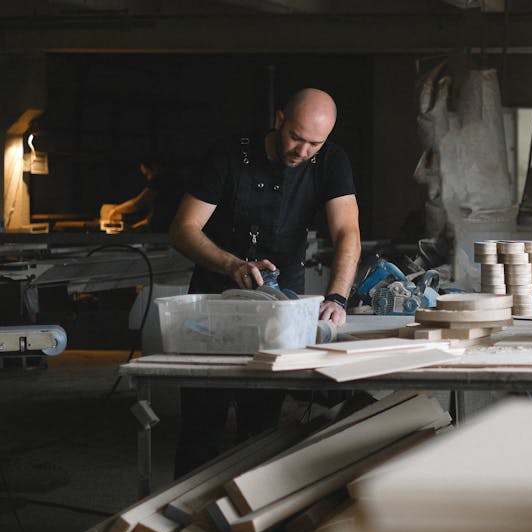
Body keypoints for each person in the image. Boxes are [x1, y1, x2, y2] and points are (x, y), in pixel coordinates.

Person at [169, 87, 362, 476]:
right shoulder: (227, 155)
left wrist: (337, 297)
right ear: (278, 120)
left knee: (262, 425)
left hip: (281, 302)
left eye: (314, 144)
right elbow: (183, 229)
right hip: (215, 297)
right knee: (201, 421)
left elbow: (347, 232)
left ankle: (250, 518)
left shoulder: (331, 161)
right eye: (296, 137)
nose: (303, 151)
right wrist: (230, 264)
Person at [99, 158, 184, 232]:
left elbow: (138, 203)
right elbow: (156, 216)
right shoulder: (175, 180)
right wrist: (135, 227)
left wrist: (116, 210)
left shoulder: (161, 179)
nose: (148, 179)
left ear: (154, 167)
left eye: (147, 174)